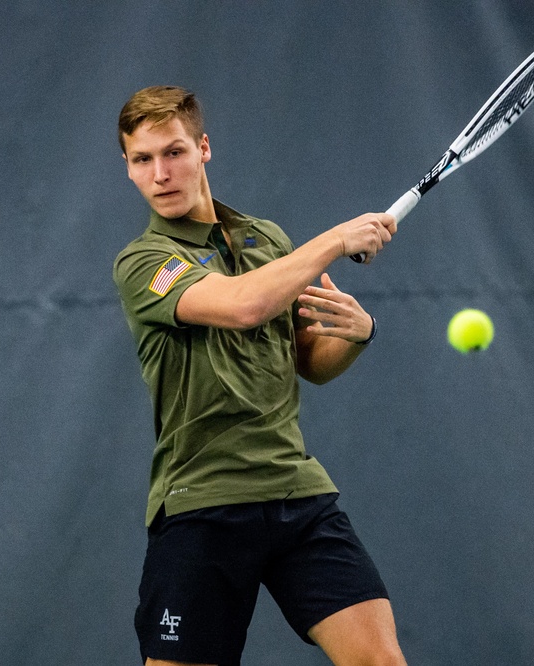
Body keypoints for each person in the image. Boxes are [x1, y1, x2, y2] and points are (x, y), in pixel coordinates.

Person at [113, 85, 405, 666]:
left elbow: (307, 361)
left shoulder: (266, 240)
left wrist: (356, 334)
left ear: (204, 148)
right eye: (142, 160)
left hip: (297, 493)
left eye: (173, 153)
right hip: (203, 503)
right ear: (128, 167)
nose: (160, 173)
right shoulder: (143, 262)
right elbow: (243, 305)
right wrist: (336, 240)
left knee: (380, 661)